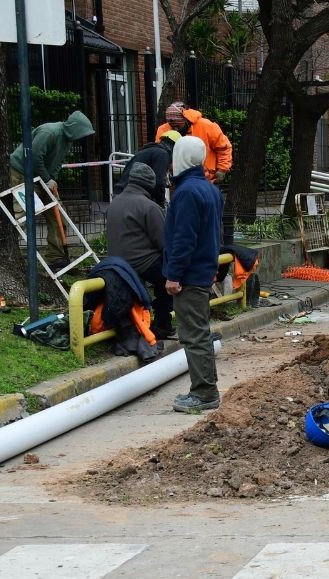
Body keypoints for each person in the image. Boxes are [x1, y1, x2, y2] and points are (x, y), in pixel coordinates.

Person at [164, 136, 224, 413]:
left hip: (190, 275)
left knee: (194, 335)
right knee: (199, 332)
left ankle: (204, 394)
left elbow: (184, 238)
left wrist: (174, 275)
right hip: (203, 270)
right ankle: (205, 390)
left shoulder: (186, 192)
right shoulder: (209, 189)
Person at [8, 110, 95, 266]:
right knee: (21, 216)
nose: (82, 137)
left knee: (59, 217)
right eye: (82, 133)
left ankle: (55, 257)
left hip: (42, 178)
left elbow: (57, 163)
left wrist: (51, 179)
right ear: (74, 128)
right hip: (22, 173)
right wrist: (47, 178)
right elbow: (34, 157)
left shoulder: (67, 141)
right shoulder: (50, 132)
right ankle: (9, 254)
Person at [105, 162, 174, 340]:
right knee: (168, 275)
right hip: (142, 263)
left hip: (116, 263)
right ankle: (163, 323)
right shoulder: (149, 207)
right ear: (149, 184)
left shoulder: (114, 203)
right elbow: (164, 243)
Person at [154, 102, 232, 184]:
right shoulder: (163, 130)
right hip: (179, 179)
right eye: (173, 127)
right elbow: (161, 154)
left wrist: (222, 170)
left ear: (186, 120)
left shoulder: (207, 126)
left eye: (178, 126)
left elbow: (224, 148)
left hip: (208, 180)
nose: (176, 130)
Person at [115, 131, 179, 207]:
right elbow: (159, 183)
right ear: (174, 147)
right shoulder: (162, 154)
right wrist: (160, 205)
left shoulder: (149, 151)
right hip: (132, 199)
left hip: (122, 195)